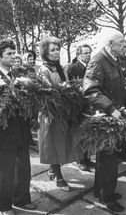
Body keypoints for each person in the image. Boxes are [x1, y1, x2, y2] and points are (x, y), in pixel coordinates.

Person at [0, 40, 36, 215]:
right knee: (4, 171)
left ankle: (22, 199)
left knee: (23, 168)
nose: (13, 56)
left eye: (14, 53)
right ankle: (4, 206)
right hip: (3, 132)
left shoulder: (17, 75)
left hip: (21, 128)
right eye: (9, 54)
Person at [83, 31, 125, 212]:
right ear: (111, 43)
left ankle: (101, 190)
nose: (124, 45)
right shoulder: (98, 60)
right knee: (107, 157)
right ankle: (106, 197)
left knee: (108, 156)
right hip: (105, 117)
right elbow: (90, 90)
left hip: (113, 115)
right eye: (121, 43)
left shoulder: (113, 60)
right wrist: (111, 109)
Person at [38, 36, 81, 192]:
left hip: (63, 110)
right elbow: (47, 92)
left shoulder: (60, 68)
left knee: (61, 142)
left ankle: (52, 169)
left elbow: (67, 84)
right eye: (53, 50)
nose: (56, 52)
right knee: (53, 143)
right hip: (51, 112)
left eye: (58, 49)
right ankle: (58, 176)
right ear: (45, 52)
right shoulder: (44, 69)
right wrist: (63, 91)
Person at [67, 44, 95, 172]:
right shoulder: (73, 68)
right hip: (78, 105)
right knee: (80, 132)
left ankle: (87, 158)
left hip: (90, 104)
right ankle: (80, 160)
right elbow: (72, 86)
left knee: (88, 131)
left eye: (89, 53)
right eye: (85, 53)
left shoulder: (92, 66)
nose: (88, 55)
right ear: (78, 55)